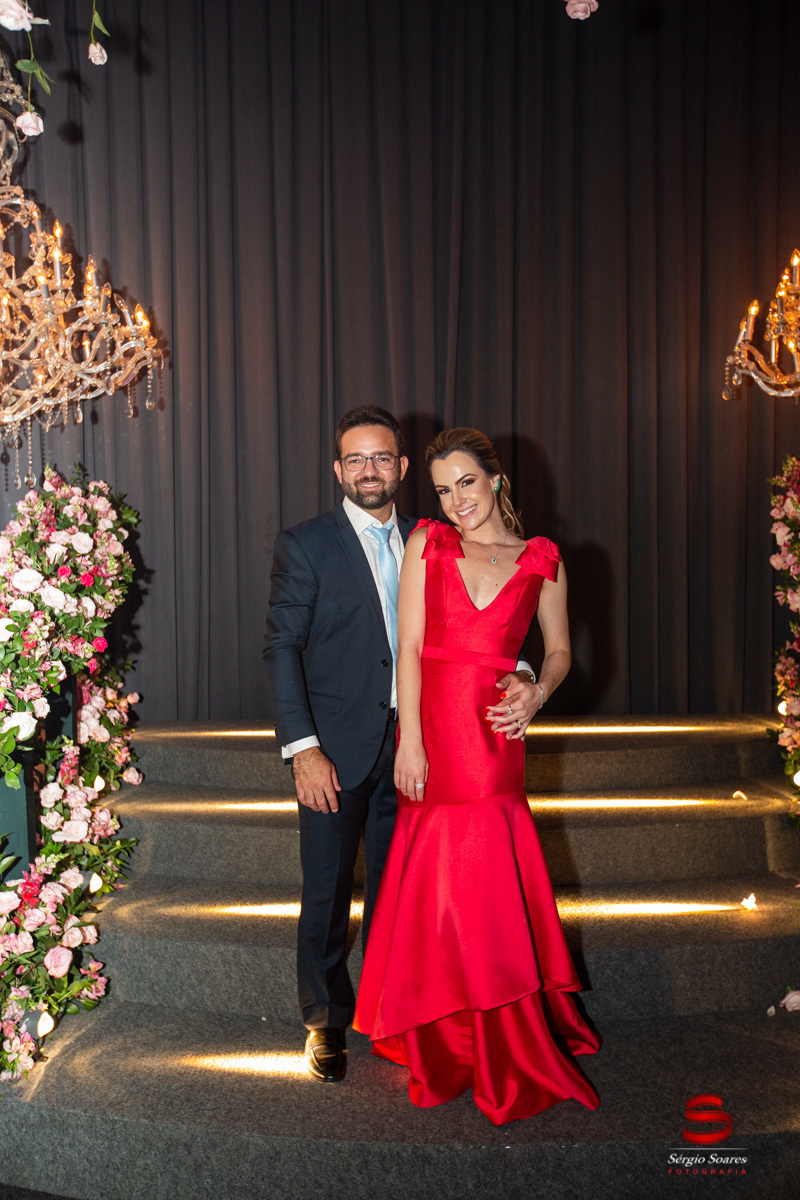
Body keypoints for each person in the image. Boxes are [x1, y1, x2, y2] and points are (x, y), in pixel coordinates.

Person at [264, 409, 541, 1083]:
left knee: (405, 893)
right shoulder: (306, 544)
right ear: (339, 470)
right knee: (328, 885)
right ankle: (325, 1018)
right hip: (336, 749)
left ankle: (397, 1010)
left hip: (429, 744)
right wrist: (304, 749)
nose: (370, 470)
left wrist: (525, 674)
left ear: (403, 467)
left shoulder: (437, 536)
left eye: (382, 458)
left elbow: (494, 615)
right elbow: (281, 649)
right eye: (356, 459)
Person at [353, 428, 600, 1125]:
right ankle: (441, 1028)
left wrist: (536, 691)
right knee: (437, 879)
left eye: (466, 482)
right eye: (442, 489)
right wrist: (409, 742)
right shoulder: (427, 545)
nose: (456, 500)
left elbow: (559, 652)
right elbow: (407, 647)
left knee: (487, 876)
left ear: (495, 480)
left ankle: (505, 1030)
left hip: (494, 737)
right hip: (434, 734)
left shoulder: (542, 559)